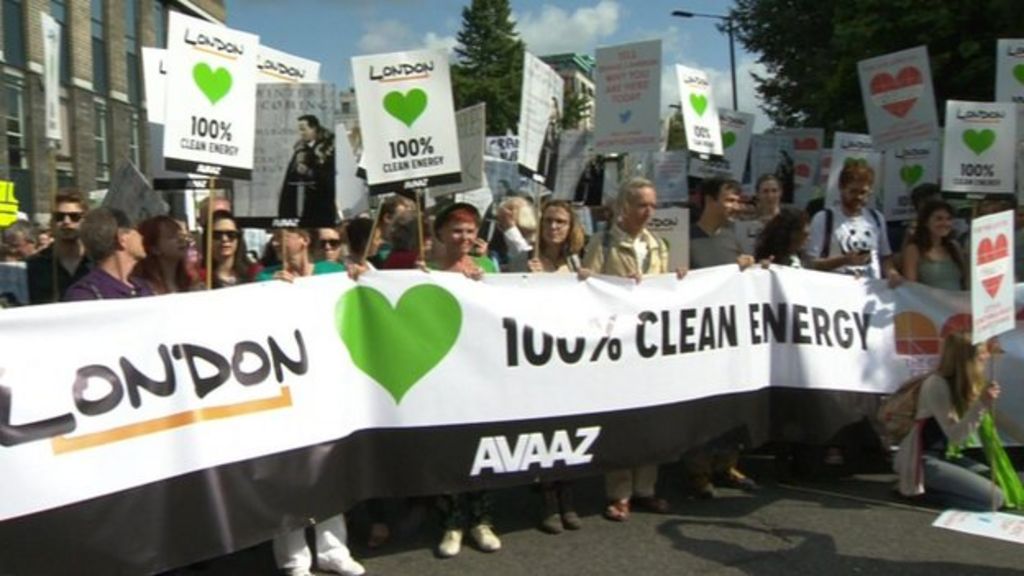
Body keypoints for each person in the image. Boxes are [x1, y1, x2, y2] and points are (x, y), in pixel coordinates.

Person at [257, 226, 362, 576]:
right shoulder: (265, 278)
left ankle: (333, 549)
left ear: (303, 240)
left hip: (327, 380)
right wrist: (273, 292)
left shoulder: (332, 273)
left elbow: (362, 292)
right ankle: (294, 557)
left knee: (329, 464)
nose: (276, 239)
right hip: (285, 384)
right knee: (289, 470)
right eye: (273, 236)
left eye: (283, 234)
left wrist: (362, 276)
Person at [582, 177, 675, 521]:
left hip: (649, 345)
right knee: (622, 419)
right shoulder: (603, 241)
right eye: (642, 205)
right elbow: (588, 286)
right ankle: (619, 491)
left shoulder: (658, 245)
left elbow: (666, 289)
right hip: (616, 343)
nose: (649, 212)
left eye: (653, 205)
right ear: (625, 206)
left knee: (651, 417)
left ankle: (645, 488)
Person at [429, 203, 501, 558]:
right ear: (440, 233)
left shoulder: (488, 268)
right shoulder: (425, 273)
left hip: (482, 374)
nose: (464, 237)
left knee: (483, 448)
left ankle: (482, 520)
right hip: (445, 376)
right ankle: (453, 522)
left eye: (471, 230)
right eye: (457, 230)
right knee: (452, 451)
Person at [514, 200, 586, 534]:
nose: (555, 227)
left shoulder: (575, 262)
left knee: (570, 428)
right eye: (549, 222)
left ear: (571, 227)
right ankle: (546, 499)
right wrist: (527, 279)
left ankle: (568, 497)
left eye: (561, 222)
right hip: (536, 358)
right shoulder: (525, 260)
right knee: (545, 430)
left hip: (569, 358)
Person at [686, 178, 759, 498]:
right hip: (698, 340)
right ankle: (698, 471)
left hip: (731, 338)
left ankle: (726, 465)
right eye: (729, 200)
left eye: (737, 201)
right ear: (710, 200)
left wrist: (750, 266)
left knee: (732, 405)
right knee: (702, 407)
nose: (735, 206)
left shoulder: (733, 237)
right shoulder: (686, 238)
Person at [894, 331, 1024, 510]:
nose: (986, 357)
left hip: (949, 456)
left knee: (1006, 484)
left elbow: (999, 418)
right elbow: (956, 436)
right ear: (966, 358)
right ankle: (919, 491)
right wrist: (982, 404)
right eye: (982, 353)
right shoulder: (936, 384)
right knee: (994, 499)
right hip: (923, 459)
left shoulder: (969, 382)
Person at [808, 163, 901, 284]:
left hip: (870, 289)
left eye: (863, 192)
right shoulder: (823, 218)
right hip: (834, 290)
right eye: (853, 191)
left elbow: (885, 257)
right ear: (841, 188)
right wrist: (843, 260)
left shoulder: (877, 218)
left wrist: (892, 273)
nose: (858, 197)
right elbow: (811, 264)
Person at [65, 208, 152, 301]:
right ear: (122, 238)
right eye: (135, 229)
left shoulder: (142, 287)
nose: (141, 236)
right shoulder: (86, 294)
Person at [27, 190, 92, 304]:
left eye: (74, 216)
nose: (66, 222)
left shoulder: (98, 263)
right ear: (52, 222)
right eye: (59, 217)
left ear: (86, 221)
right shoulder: (34, 265)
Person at [278, 114, 337, 225]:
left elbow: (330, 176)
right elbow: (290, 176)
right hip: (303, 205)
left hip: (323, 205)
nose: (301, 133)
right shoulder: (300, 149)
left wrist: (309, 172)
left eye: (304, 129)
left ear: (314, 128)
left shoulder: (329, 148)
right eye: (299, 130)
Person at [899, 200, 967, 291]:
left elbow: (965, 282)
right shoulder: (914, 250)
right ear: (925, 222)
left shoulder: (955, 247)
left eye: (949, 219)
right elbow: (911, 289)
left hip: (957, 303)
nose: (945, 223)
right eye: (939, 219)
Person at [132, 216, 196, 295]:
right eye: (171, 237)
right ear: (154, 249)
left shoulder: (190, 284)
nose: (181, 240)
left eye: (181, 235)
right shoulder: (141, 288)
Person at [257, 228, 345, 282]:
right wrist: (271, 285)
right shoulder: (266, 276)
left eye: (280, 237)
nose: (274, 243)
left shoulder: (334, 270)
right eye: (274, 238)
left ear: (305, 240)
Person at [201, 211, 258, 289]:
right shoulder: (198, 277)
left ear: (239, 238)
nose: (224, 239)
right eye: (217, 235)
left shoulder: (255, 273)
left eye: (231, 234)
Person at [736, 174, 784, 254]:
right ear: (758, 194)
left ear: (781, 193)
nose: (770, 195)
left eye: (774, 191)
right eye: (765, 191)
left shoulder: (790, 220)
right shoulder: (747, 222)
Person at [0, 221, 34, 305]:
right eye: (7, 246)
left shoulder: (44, 268)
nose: (11, 250)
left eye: (15, 246)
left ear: (31, 243)